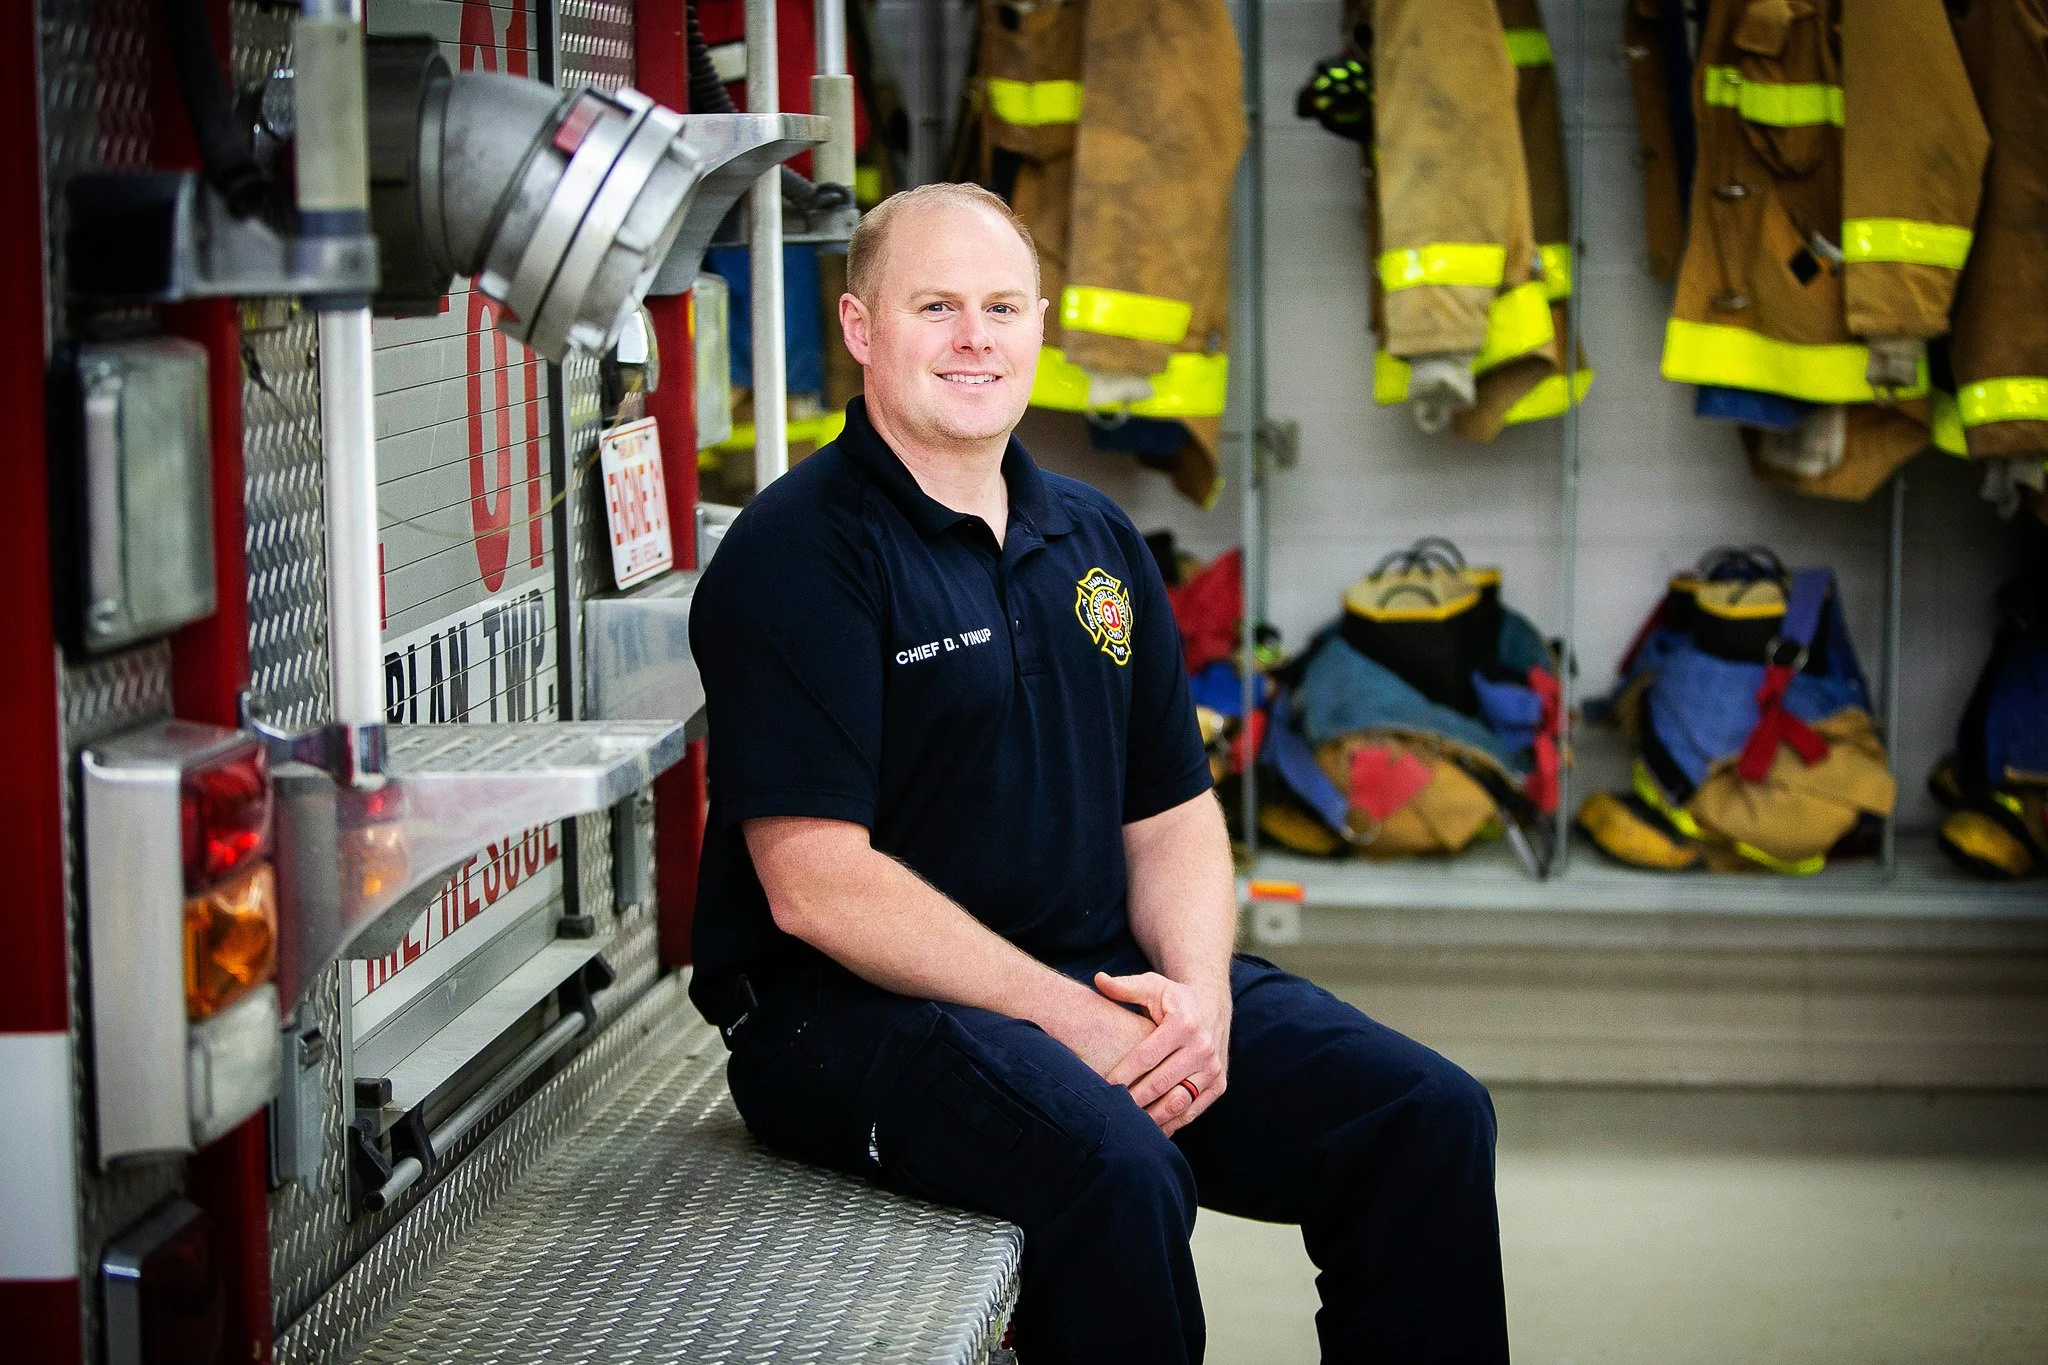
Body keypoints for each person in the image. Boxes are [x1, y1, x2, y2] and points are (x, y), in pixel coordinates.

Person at [688, 182, 1508, 1363]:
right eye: (936, 306)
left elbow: (1170, 810)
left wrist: (1201, 1005)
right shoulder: (799, 555)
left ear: (1039, 326)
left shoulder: (1094, 539)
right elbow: (814, 882)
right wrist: (1077, 1024)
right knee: (1116, 1180)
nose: (976, 338)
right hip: (852, 1018)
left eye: (1003, 307)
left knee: (1422, 1119)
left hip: (1096, 976)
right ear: (862, 330)